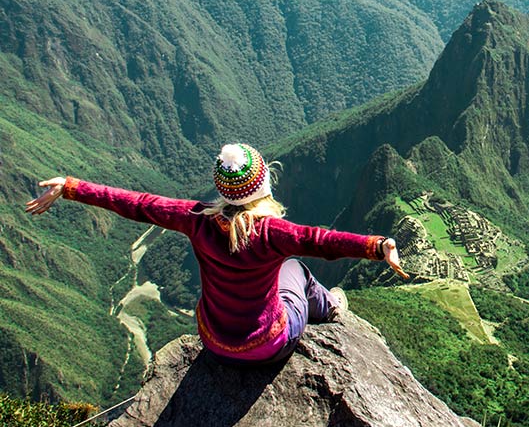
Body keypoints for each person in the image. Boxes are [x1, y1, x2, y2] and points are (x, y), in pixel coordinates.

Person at [25, 143, 408, 365]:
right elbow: (320, 241)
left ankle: (325, 305)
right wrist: (377, 246)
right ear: (263, 186)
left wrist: (72, 187)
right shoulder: (271, 233)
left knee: (285, 268)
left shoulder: (196, 219)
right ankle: (331, 306)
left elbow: (137, 204)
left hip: (214, 341)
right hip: (266, 346)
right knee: (295, 269)